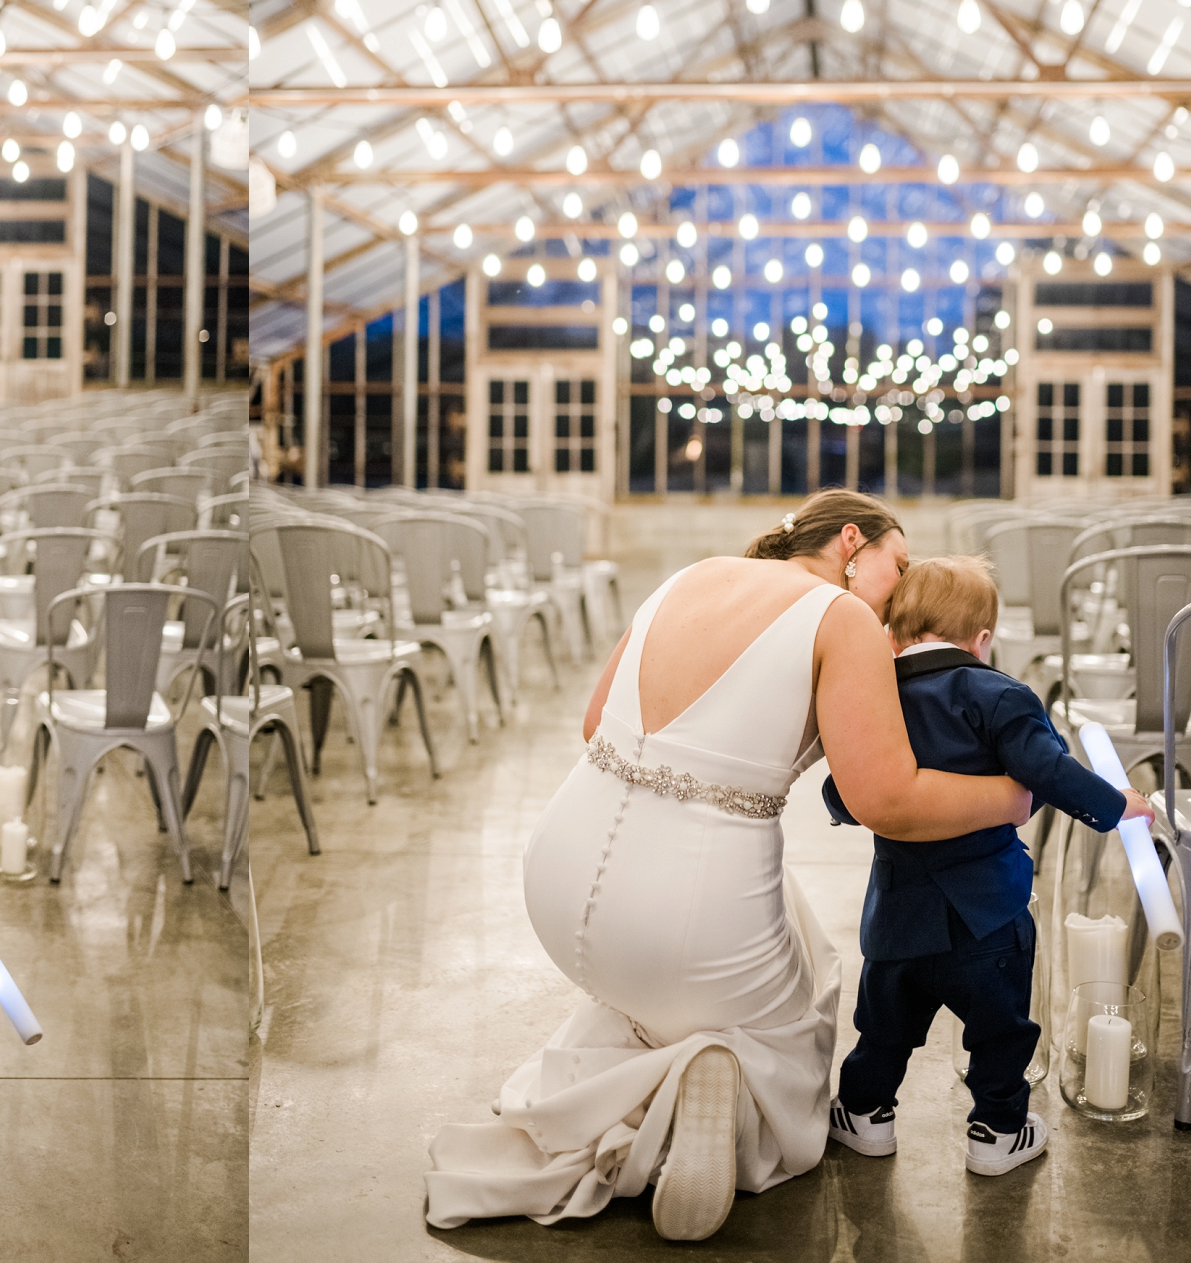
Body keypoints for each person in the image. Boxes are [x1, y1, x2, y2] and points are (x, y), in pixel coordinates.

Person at [426, 490, 1035, 1242]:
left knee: (730, 950)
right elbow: (886, 800)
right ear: (852, 542)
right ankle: (714, 1080)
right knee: (801, 1024)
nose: (904, 591)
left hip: (555, 875)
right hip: (688, 919)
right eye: (899, 566)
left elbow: (593, 724)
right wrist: (1014, 795)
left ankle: (672, 1066)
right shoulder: (842, 618)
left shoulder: (690, 575)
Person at [820, 556, 1153, 1176]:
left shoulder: (875, 700)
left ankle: (865, 1114)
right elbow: (1048, 771)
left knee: (884, 1027)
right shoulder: (1002, 696)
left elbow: (845, 795)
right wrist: (1117, 805)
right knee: (1001, 1031)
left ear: (893, 634)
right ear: (982, 640)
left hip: (898, 914)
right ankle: (997, 1133)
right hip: (989, 915)